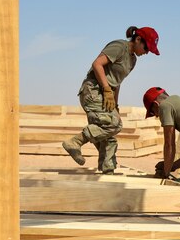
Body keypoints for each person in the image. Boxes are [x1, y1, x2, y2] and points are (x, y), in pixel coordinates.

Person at [62, 26, 160, 174]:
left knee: (108, 138)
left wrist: (115, 103)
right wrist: (106, 89)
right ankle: (75, 142)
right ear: (138, 39)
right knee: (114, 124)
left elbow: (117, 82)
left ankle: (107, 171)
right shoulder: (119, 47)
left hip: (105, 94)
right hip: (93, 90)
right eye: (147, 48)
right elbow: (97, 64)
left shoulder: (133, 60)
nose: (146, 52)